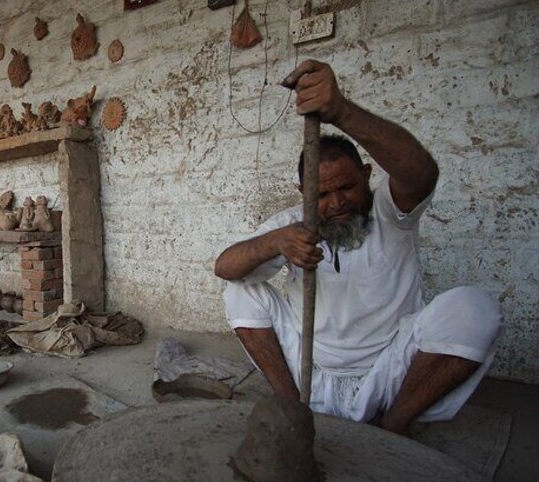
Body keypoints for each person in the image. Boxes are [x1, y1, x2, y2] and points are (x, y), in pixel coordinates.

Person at [214, 60, 502, 436]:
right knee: (241, 291)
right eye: (322, 194)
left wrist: (342, 111)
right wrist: (275, 242)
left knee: (476, 309)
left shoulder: (390, 210)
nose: (336, 204)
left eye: (346, 188)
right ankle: (289, 405)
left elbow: (422, 173)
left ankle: (395, 425)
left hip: (387, 373)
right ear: (304, 195)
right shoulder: (292, 225)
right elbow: (225, 266)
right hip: (310, 373)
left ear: (366, 177)